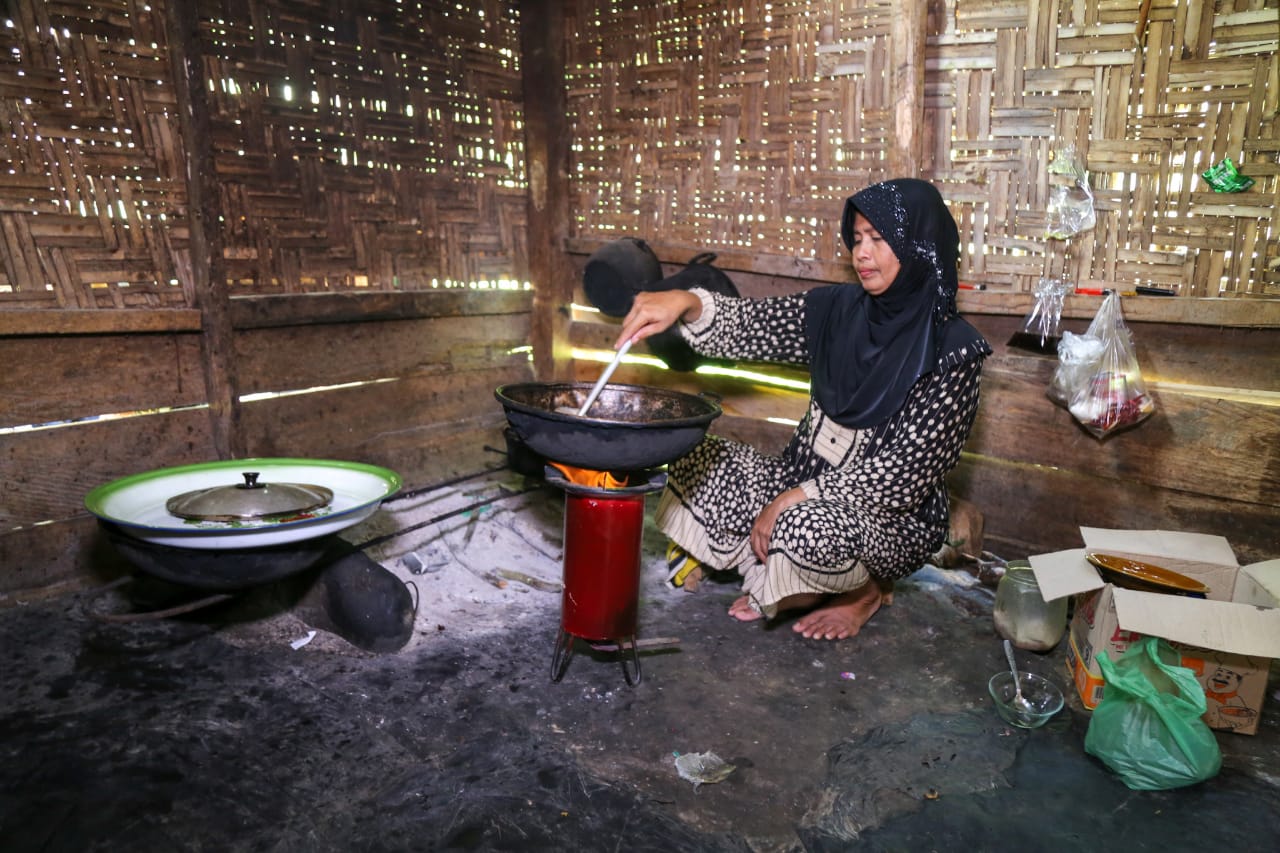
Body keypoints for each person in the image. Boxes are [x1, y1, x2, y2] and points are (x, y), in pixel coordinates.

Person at [614, 178, 991, 640]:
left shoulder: (954, 353)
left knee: (805, 528)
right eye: (856, 239)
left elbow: (904, 477)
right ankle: (778, 572)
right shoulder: (835, 311)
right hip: (799, 480)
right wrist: (687, 301)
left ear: (918, 245)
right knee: (696, 453)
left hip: (889, 519)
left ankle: (863, 592)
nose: (862, 254)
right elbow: (751, 325)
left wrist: (796, 498)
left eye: (879, 239)